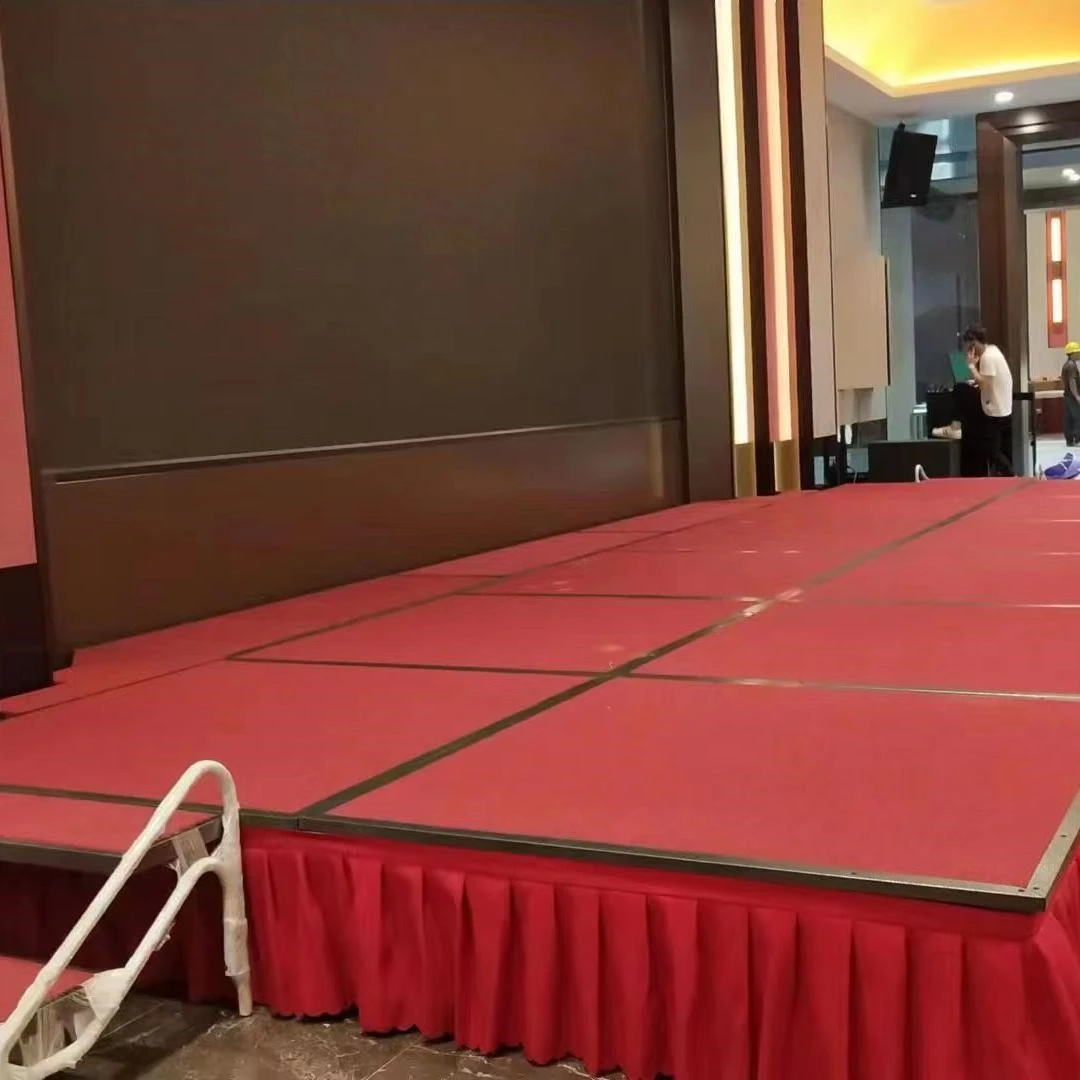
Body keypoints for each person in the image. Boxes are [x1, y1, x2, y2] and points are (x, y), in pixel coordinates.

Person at [962, 324, 1014, 476]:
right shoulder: (994, 350)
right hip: (1003, 407)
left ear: (974, 343)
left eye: (969, 346)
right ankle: (1007, 474)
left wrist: (971, 366)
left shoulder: (987, 357)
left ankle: (1011, 474)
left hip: (995, 410)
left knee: (991, 450)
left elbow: (984, 384)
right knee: (998, 449)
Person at [1063, 341, 1080, 448]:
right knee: (1077, 417)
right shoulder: (1071, 366)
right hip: (1072, 396)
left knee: (1069, 418)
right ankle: (1077, 439)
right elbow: (1072, 382)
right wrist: (1077, 396)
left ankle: (1070, 440)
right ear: (1073, 353)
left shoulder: (1068, 364)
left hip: (1068, 395)